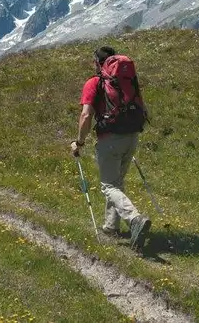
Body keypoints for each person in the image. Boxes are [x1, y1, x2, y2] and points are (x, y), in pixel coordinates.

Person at [70, 45, 151, 251]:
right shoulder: (126, 82)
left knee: (108, 186)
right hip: (131, 136)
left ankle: (134, 219)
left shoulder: (95, 82)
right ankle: (110, 227)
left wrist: (79, 142)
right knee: (117, 183)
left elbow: (86, 115)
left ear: (98, 62)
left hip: (110, 139)